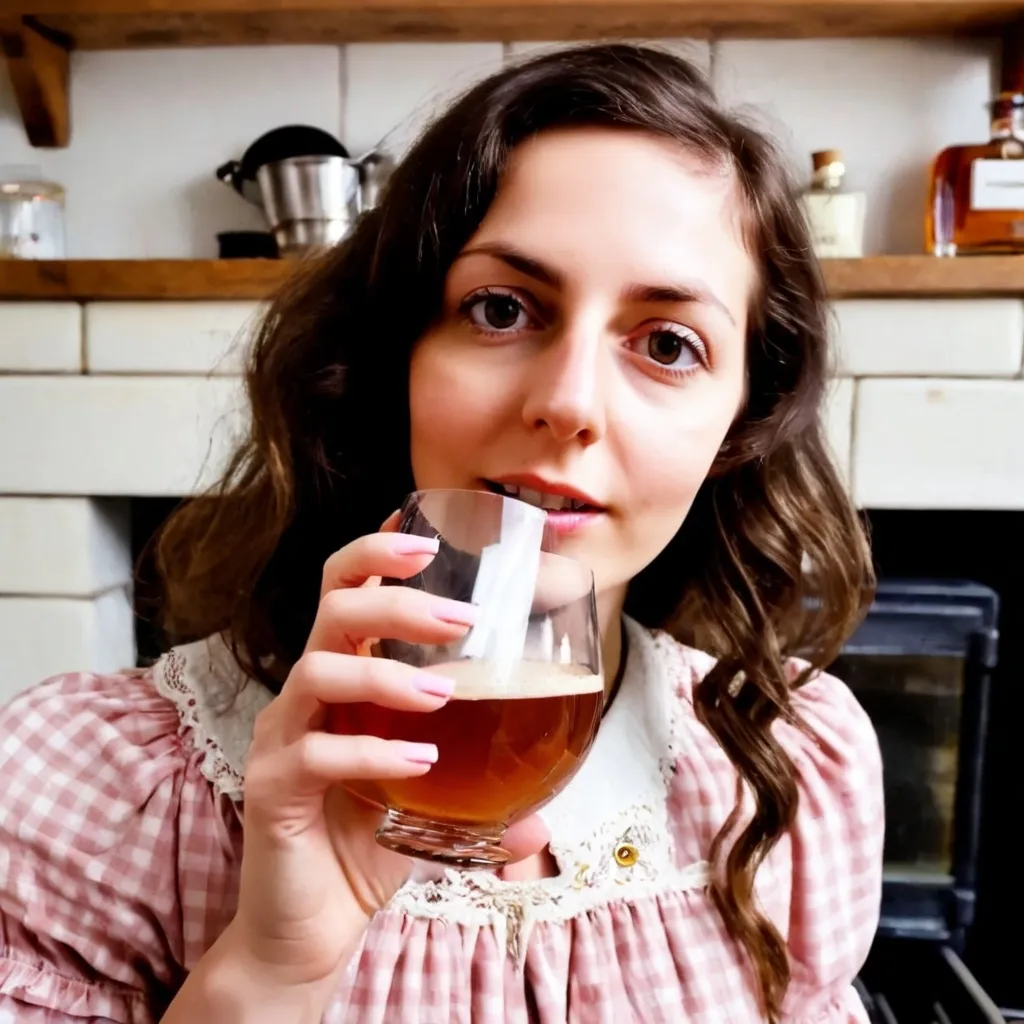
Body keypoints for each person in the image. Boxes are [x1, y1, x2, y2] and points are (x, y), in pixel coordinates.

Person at [0, 42, 884, 1024]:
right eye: (500, 308)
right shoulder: (98, 787)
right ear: (397, 360)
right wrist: (267, 972)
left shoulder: (797, 765)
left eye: (668, 344)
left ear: (738, 425)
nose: (567, 403)